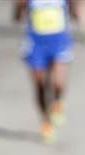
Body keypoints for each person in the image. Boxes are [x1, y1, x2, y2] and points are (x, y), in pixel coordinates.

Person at [14, 0, 74, 143]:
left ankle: (57, 102)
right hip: (36, 43)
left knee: (58, 83)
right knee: (40, 86)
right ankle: (46, 122)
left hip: (59, 41)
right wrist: (20, 8)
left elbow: (72, 8)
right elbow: (17, 15)